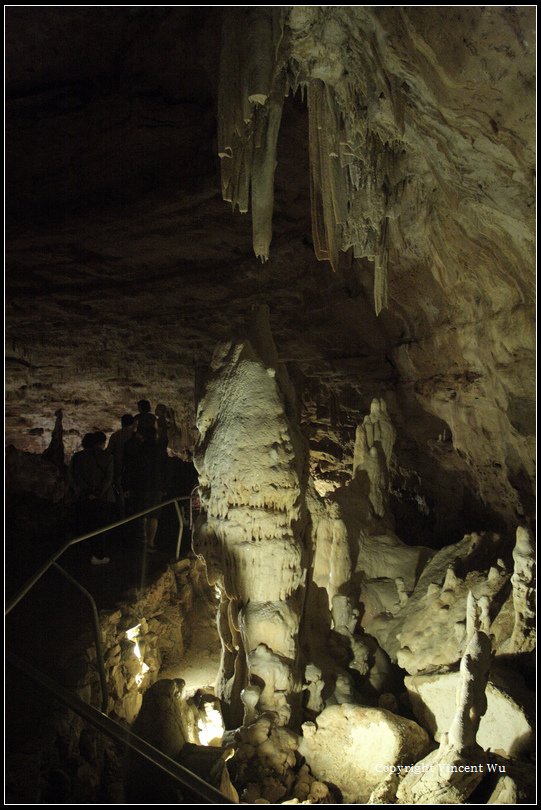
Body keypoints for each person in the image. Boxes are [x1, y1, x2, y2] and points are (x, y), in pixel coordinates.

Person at [68, 431, 114, 565]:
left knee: (82, 525)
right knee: (99, 528)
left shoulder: (77, 457)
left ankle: (79, 556)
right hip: (102, 499)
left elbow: (73, 476)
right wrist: (98, 494)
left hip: (82, 498)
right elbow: (108, 479)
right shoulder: (107, 457)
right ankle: (98, 556)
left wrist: (82, 492)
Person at [123, 423, 167, 552]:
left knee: (142, 513)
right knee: (154, 516)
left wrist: (127, 486)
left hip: (140, 486)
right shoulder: (160, 449)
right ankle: (150, 543)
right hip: (156, 486)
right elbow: (165, 469)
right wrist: (165, 486)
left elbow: (131, 469)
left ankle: (141, 539)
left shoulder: (138, 449)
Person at [107, 414, 135, 517]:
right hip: (133, 467)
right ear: (132, 423)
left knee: (120, 490)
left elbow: (109, 452)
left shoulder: (116, 435)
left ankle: (122, 515)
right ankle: (133, 514)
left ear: (122, 423)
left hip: (119, 466)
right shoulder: (135, 435)